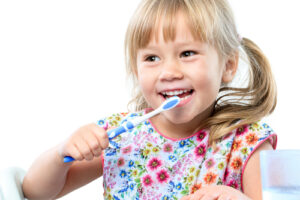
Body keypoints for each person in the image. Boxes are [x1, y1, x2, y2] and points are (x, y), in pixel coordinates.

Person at [22, 0, 277, 199]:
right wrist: (60, 154)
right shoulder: (119, 137)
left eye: (187, 53)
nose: (169, 73)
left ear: (228, 65)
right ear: (136, 70)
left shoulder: (247, 143)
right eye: (152, 58)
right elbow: (36, 192)